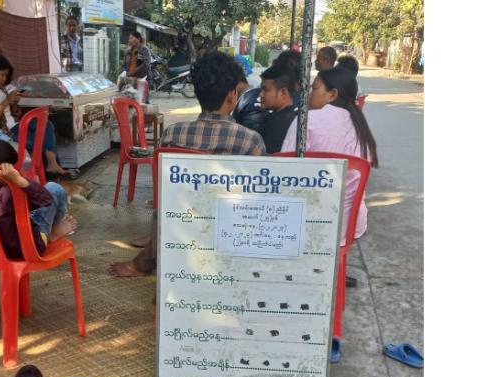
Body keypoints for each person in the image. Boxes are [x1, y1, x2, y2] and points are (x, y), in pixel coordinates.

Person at [109, 52, 266, 277]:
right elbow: (258, 200)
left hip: (183, 224)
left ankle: (145, 262)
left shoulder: (172, 134)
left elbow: (166, 192)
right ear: (233, 96)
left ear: (198, 94)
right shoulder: (251, 141)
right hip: (232, 231)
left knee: (164, 205)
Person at [281, 67, 378, 241]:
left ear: (332, 94)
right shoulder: (361, 127)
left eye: (314, 88)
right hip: (351, 226)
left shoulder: (306, 121)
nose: (309, 94)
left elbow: (283, 172)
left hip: (310, 226)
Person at [0, 54, 73, 176]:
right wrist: (7, 101)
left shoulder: (2, 88)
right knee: (34, 140)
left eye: (6, 75)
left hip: (15, 126)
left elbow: (15, 114)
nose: (4, 79)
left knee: (46, 124)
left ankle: (52, 164)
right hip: (2, 132)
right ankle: (36, 173)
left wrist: (15, 102)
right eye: (2, 75)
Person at [0, 139, 77, 260]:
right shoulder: (7, 193)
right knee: (55, 189)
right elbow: (46, 199)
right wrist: (19, 181)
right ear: (2, 169)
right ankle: (52, 234)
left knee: (42, 197)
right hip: (25, 248)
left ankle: (54, 229)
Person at [257, 64, 298, 153]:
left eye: (265, 90)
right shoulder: (297, 119)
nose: (261, 94)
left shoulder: (275, 124)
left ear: (283, 92)